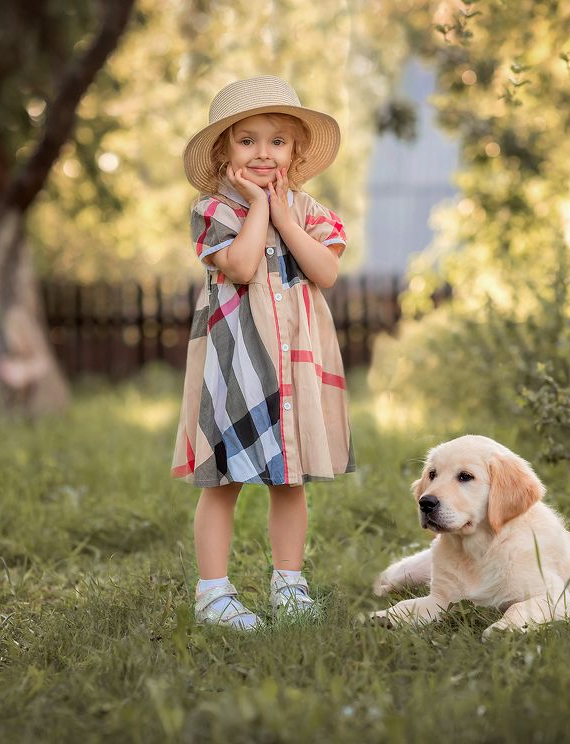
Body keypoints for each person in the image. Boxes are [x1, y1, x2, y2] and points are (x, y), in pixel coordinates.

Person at [172, 76, 355, 629]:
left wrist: (284, 218)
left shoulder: (309, 210)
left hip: (294, 364)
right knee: (223, 480)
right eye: (247, 140)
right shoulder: (214, 211)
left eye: (277, 141)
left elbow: (325, 270)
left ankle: (289, 584)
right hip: (235, 367)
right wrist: (257, 207)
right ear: (225, 150)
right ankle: (214, 594)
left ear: (295, 151)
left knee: (289, 479)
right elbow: (243, 267)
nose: (262, 153)